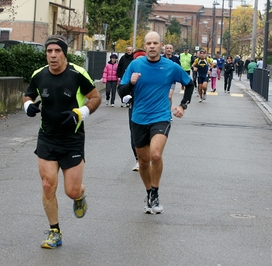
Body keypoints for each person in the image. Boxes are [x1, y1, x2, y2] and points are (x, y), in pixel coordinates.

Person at [22, 35, 101, 248]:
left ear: (64, 53)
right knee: (48, 185)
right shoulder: (39, 75)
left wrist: (80, 112)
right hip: (47, 137)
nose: (53, 55)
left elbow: (95, 97)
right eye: (49, 51)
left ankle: (80, 196)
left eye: (57, 51)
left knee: (71, 191)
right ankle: (54, 231)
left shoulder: (77, 74)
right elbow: (28, 95)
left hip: (72, 140)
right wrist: (27, 105)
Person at [117, 31, 194, 214]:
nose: (152, 46)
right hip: (138, 117)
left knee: (156, 155)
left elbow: (189, 83)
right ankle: (149, 192)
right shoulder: (135, 65)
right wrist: (132, 84)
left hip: (160, 116)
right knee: (143, 162)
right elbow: (121, 91)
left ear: (161, 46)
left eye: (155, 43)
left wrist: (183, 106)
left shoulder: (170, 66)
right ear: (144, 46)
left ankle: (156, 192)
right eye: (149, 43)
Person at [163, 44, 181, 110]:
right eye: (167, 48)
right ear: (165, 50)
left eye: (170, 48)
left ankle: (168, 112)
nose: (169, 49)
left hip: (172, 81)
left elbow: (179, 69)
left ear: (172, 50)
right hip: (162, 81)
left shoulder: (175, 59)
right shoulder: (162, 58)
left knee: (169, 96)